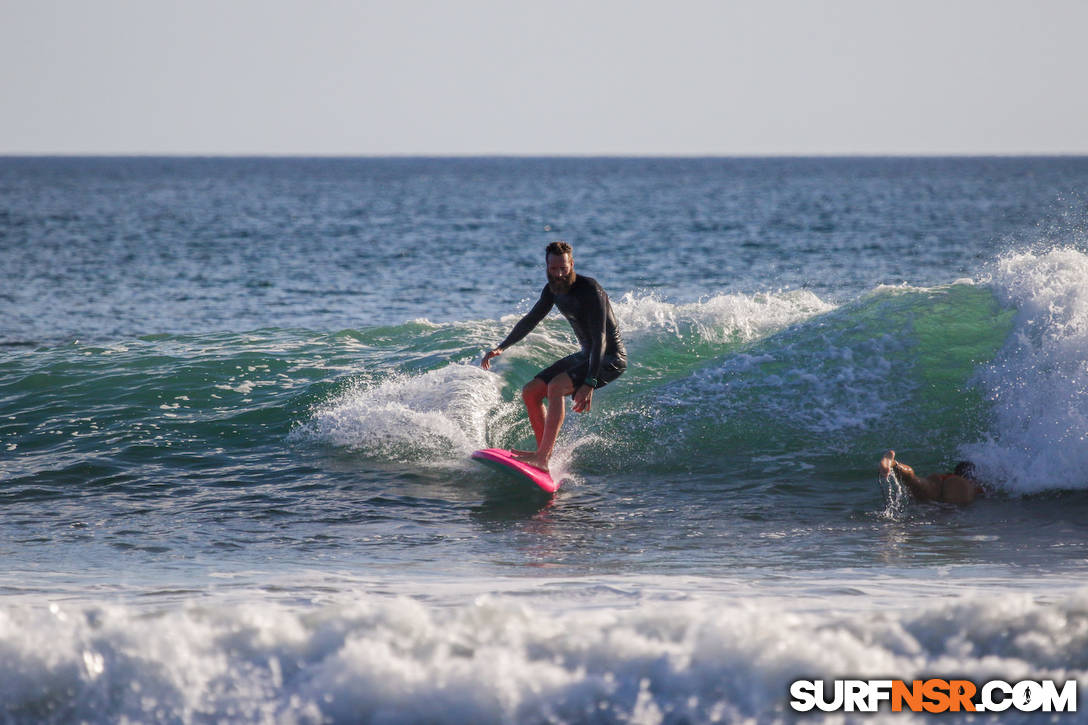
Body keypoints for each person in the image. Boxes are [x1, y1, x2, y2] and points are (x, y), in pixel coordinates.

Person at [481, 241, 626, 472]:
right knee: (531, 392)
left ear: (572, 264)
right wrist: (502, 347)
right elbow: (531, 319)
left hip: (609, 358)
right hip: (586, 355)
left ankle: (543, 457)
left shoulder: (590, 289)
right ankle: (544, 454)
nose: (559, 274)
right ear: (546, 266)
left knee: (556, 387)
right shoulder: (552, 291)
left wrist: (590, 382)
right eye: (553, 269)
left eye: (564, 268)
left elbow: (601, 337)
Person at [879, 450, 984, 504]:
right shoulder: (968, 483)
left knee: (912, 480)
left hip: (937, 480)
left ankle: (893, 463)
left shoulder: (944, 478)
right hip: (959, 486)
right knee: (948, 513)